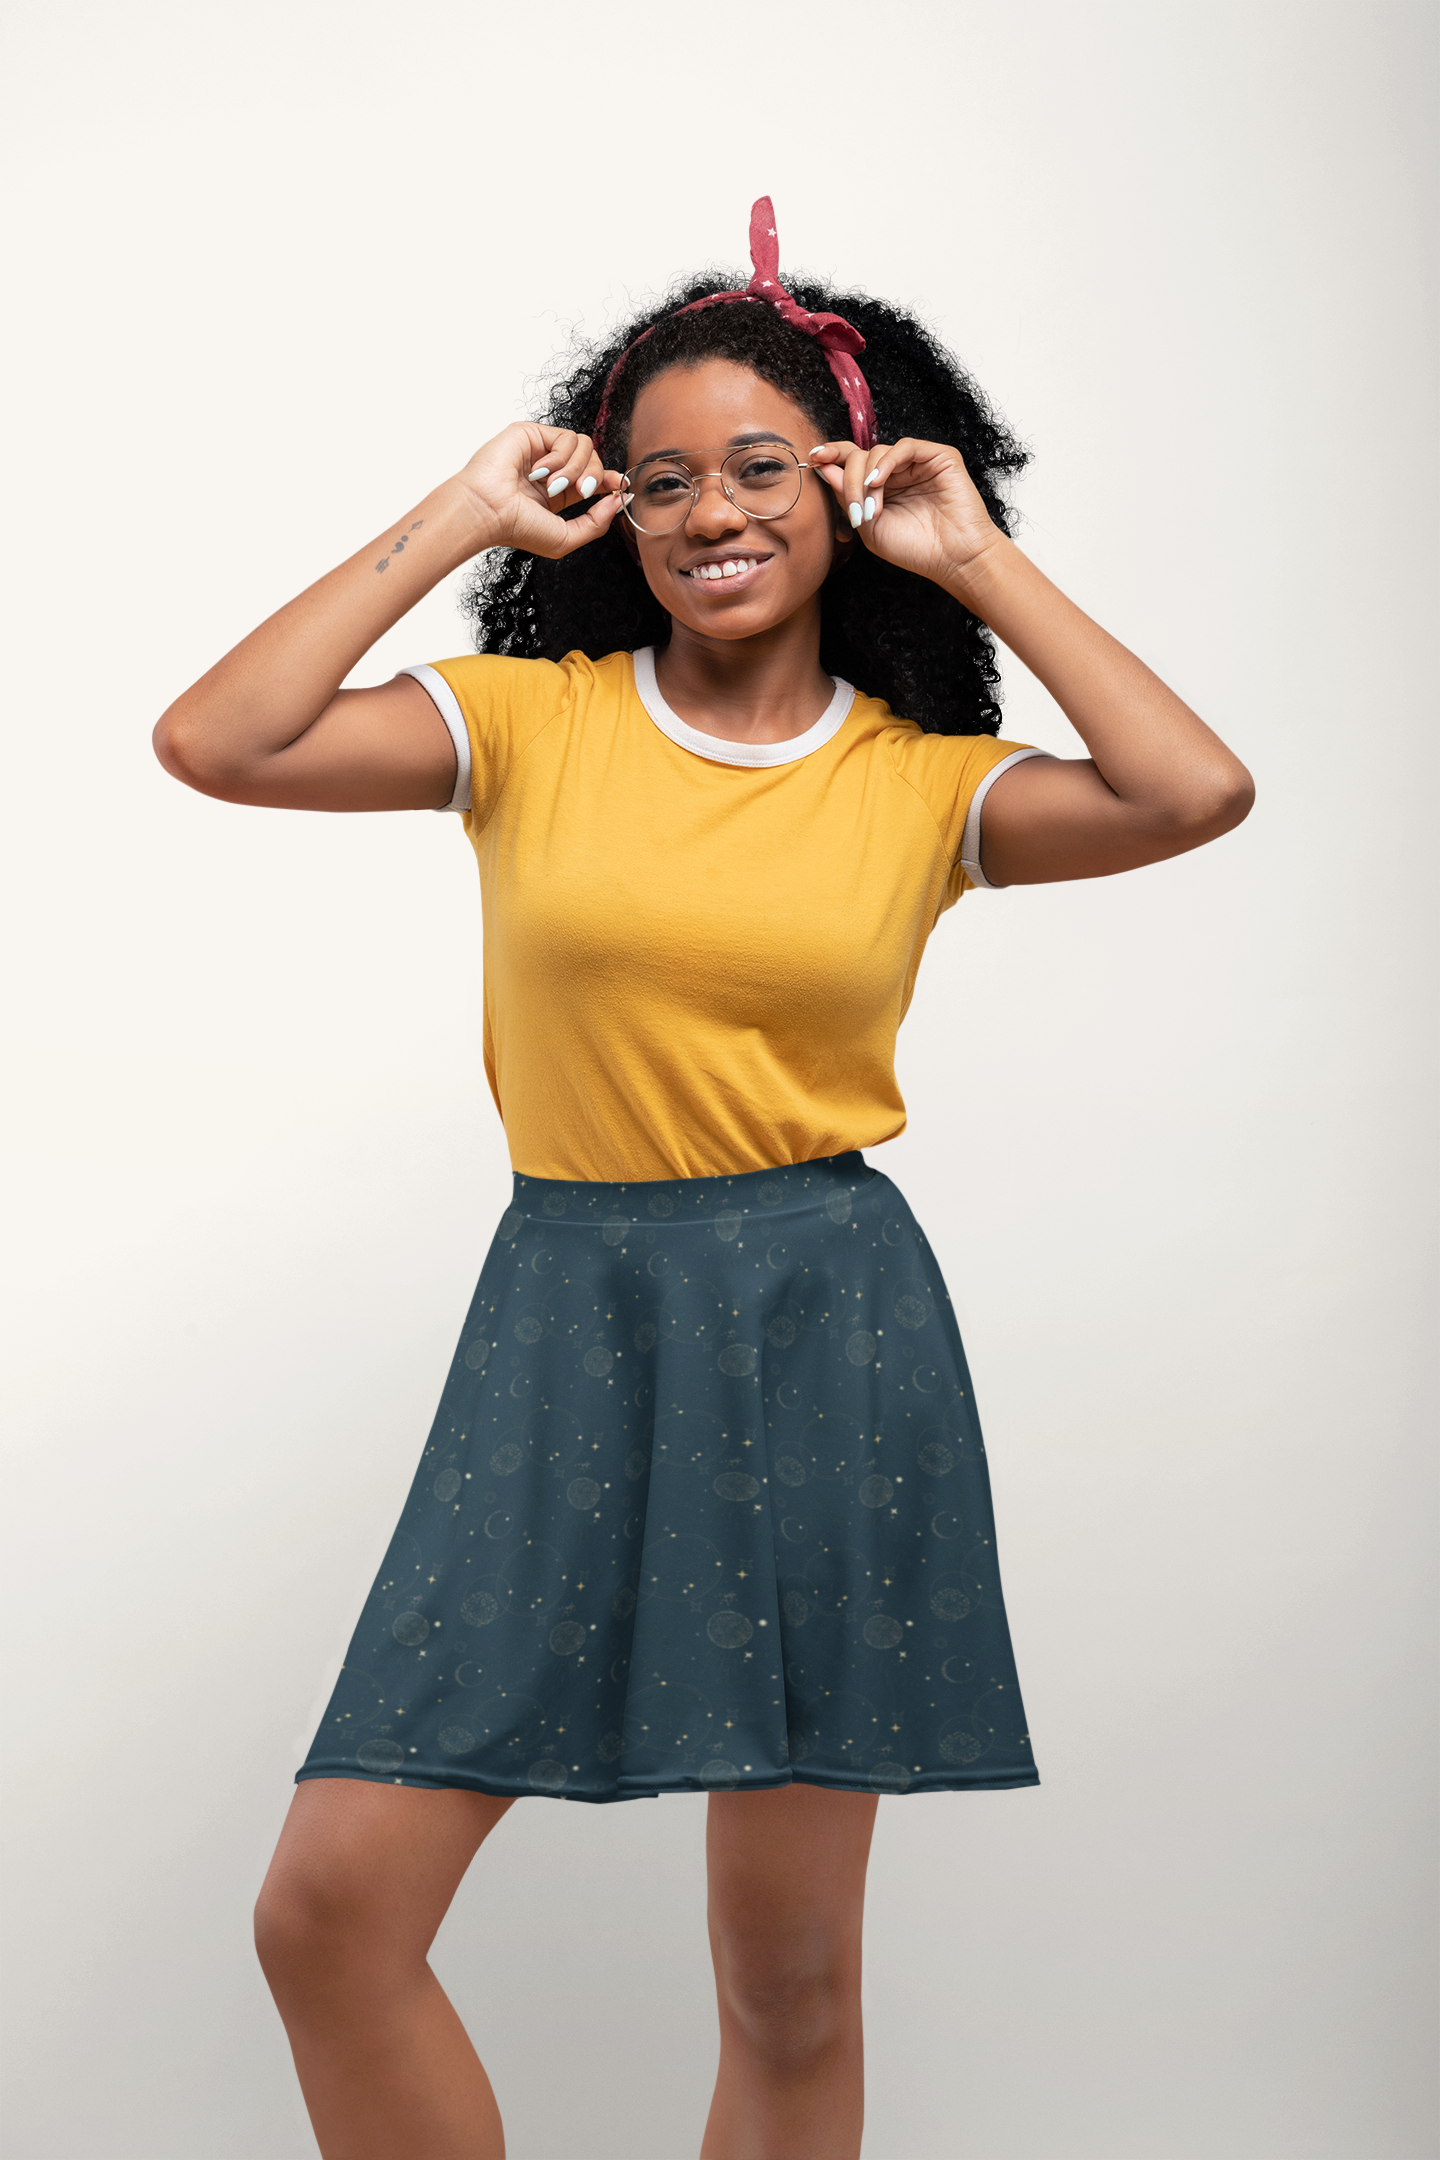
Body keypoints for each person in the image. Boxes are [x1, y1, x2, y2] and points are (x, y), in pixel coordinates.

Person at [154, 199, 1253, 2160]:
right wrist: (462, 509)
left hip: (830, 1321)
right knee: (330, 1913)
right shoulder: (525, 724)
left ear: (850, 488)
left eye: (762, 466)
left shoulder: (923, 782)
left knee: (791, 1980)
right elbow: (216, 741)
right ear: (613, 511)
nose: (706, 511)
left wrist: (979, 555)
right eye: (659, 477)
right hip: (561, 1312)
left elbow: (1193, 790)